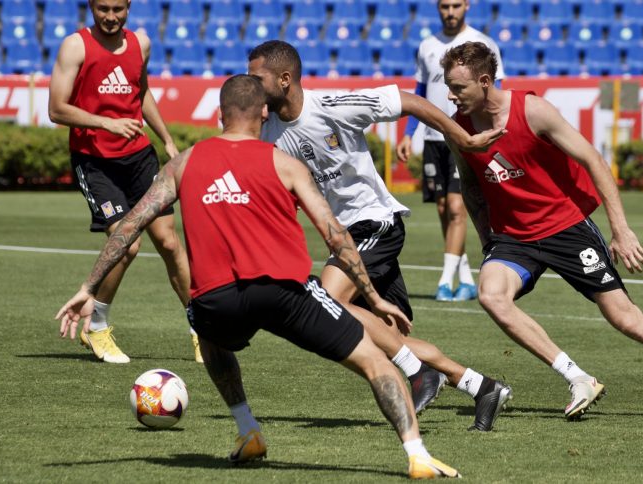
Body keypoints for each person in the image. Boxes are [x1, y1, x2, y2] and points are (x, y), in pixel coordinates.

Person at [56, 75, 462, 479]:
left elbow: (130, 224)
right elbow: (337, 236)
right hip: (283, 292)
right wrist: (373, 297)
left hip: (217, 299)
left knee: (209, 335)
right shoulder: (284, 163)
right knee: (377, 364)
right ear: (264, 112)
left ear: (220, 114)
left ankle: (248, 429)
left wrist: (89, 287)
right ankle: (417, 455)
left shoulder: (183, 163)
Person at [440, 41, 643, 420]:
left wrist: (621, 230)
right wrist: (487, 238)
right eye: (448, 86)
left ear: (484, 81)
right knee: (491, 295)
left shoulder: (534, 111)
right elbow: (470, 184)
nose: (451, 95)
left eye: (458, 87)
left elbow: (593, 160)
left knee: (628, 320)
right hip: (514, 238)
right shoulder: (457, 129)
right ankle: (577, 377)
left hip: (566, 227)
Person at [248, 40, 512, 431]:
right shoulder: (267, 133)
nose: (251, 85)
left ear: (285, 79)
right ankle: (481, 386)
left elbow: (408, 101)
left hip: (375, 225)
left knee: (326, 301)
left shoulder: (333, 108)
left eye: (258, 77)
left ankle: (419, 374)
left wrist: (462, 138)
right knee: (384, 341)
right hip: (346, 238)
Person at [48, 0, 202, 364]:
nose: (111, 16)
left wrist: (165, 138)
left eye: (118, 8)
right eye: (103, 8)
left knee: (168, 241)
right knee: (127, 246)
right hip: (96, 162)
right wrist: (106, 123)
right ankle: (96, 327)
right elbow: (56, 108)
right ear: (90, 6)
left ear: (129, 7)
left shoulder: (141, 44)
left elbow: (141, 91)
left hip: (139, 158)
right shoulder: (76, 46)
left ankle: (201, 329)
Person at [397, 0, 506, 302]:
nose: (450, 11)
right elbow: (419, 93)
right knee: (445, 210)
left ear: (467, 6)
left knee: (458, 208)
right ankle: (467, 279)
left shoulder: (483, 45)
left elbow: (496, 92)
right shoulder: (427, 46)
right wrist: (409, 133)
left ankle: (445, 281)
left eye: (456, 5)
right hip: (435, 139)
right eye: (445, 6)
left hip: (467, 137)